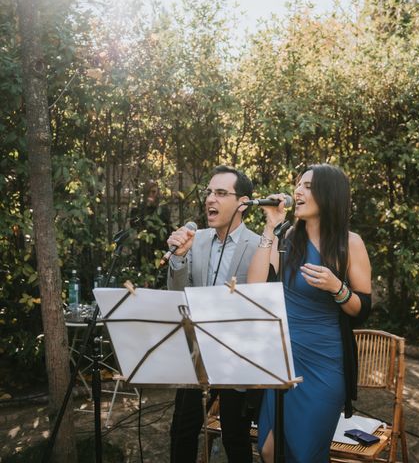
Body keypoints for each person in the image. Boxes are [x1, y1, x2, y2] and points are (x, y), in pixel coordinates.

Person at [247, 163, 372, 462]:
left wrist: (336, 287)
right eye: (298, 185)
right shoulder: (287, 237)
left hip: (324, 362)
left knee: (305, 454)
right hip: (284, 358)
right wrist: (269, 227)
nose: (297, 191)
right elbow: (254, 285)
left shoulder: (349, 243)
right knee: (268, 449)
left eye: (307, 186)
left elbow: (362, 308)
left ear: (329, 195)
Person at [166, 165, 260, 463]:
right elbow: (177, 296)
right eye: (209, 192)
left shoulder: (259, 245)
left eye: (221, 193)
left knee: (235, 436)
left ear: (242, 203)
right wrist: (178, 259)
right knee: (182, 430)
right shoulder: (197, 240)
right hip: (197, 353)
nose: (210, 199)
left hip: (236, 355)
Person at [130, 179, 172, 267]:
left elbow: (167, 229)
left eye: (154, 192)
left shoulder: (163, 209)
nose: (151, 195)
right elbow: (133, 226)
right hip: (144, 250)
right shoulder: (138, 209)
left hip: (160, 250)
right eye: (148, 192)